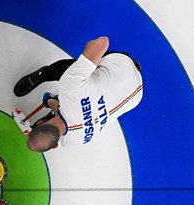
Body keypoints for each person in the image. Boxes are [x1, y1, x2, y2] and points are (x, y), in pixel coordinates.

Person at [12, 36, 143, 152]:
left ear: (55, 145)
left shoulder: (71, 143)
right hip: (122, 67)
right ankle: (50, 78)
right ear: (40, 123)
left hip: (136, 94)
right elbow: (102, 42)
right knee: (72, 73)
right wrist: (49, 101)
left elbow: (103, 43)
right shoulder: (70, 89)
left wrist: (52, 103)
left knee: (63, 72)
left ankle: (42, 75)